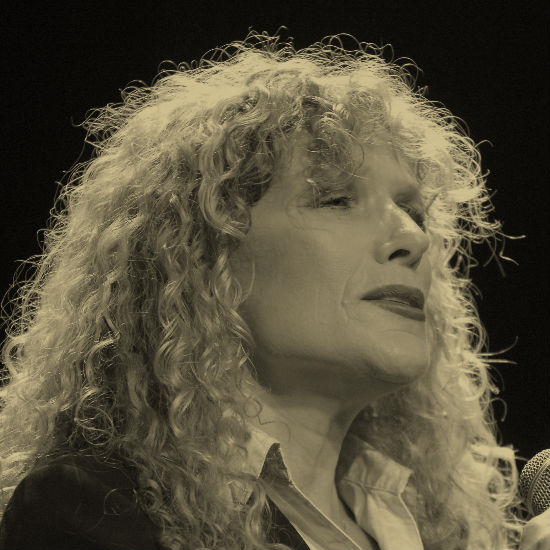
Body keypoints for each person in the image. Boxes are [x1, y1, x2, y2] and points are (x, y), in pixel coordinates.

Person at [0, 29, 547, 550]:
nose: (413, 238)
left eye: (413, 211)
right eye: (335, 200)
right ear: (203, 255)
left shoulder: (444, 530)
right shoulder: (95, 510)